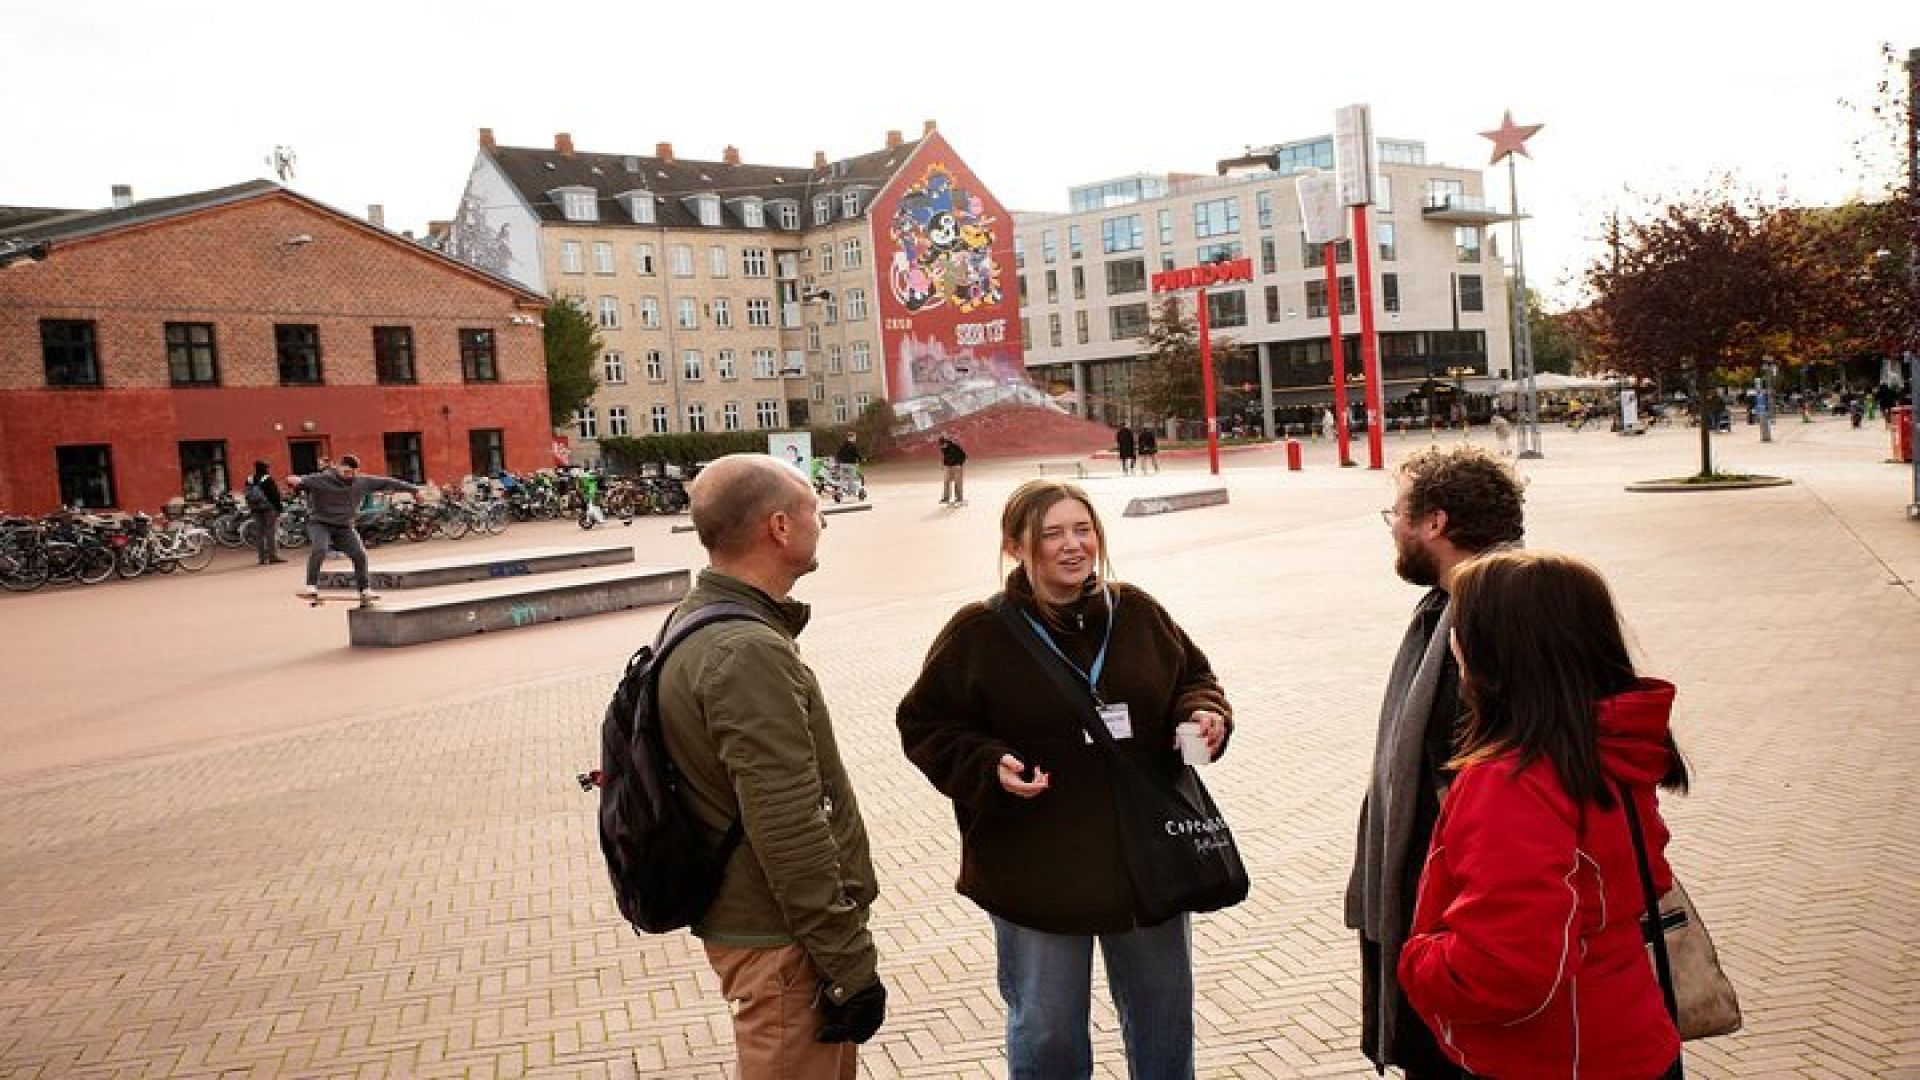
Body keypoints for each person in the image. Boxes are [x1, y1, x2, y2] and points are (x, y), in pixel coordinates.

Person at [896, 479, 1232, 1079]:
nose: (1072, 545)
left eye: (1083, 530)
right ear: (1016, 547)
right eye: (1052, 534)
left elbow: (1195, 677)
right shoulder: (980, 632)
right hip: (1037, 868)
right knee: (1047, 1032)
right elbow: (924, 722)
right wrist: (986, 765)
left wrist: (1203, 714)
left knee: (1163, 1021)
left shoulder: (1138, 613)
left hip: (1146, 863)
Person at [1398, 550, 1688, 1079]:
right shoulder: (1608, 745)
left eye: (1461, 628)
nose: (1455, 642)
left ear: (1496, 654)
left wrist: (1419, 962)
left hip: (1548, 1056)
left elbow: (1505, 967)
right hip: (1629, 1035)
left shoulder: (1511, 781)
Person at [661, 454, 885, 1078]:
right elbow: (787, 825)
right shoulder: (746, 651)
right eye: (815, 508)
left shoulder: (700, 619)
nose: (823, 522)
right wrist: (847, 962)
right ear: (780, 527)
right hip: (785, 945)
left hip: (775, 934)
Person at [1345, 444, 1525, 1079]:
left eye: (1396, 512)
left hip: (1472, 921)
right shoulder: (1446, 608)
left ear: (1435, 523)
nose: (1392, 527)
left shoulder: (1499, 615)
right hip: (1445, 908)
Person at [286, 454, 422, 601]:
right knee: (320, 549)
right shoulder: (321, 479)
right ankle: (311, 586)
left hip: (344, 526)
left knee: (360, 555)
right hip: (320, 524)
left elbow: (388, 482)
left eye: (352, 473)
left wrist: (414, 490)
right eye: (345, 472)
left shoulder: (362, 482)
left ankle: (364, 589)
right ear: (338, 467)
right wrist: (293, 481)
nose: (348, 476)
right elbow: (299, 482)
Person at [244, 460, 287, 565]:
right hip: (269, 509)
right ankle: (273, 556)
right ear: (264, 468)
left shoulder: (249, 479)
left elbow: (247, 494)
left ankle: (262, 558)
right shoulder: (267, 479)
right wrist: (279, 508)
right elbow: (275, 496)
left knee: (259, 533)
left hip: (255, 509)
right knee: (270, 532)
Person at [938, 433, 968, 506]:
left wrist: (959, 464)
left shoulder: (954, 446)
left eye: (942, 445)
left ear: (946, 443)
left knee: (958, 483)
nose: (941, 446)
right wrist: (943, 464)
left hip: (956, 466)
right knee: (946, 482)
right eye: (940, 445)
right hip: (948, 466)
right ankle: (946, 498)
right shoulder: (943, 448)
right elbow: (944, 456)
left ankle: (959, 498)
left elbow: (964, 456)